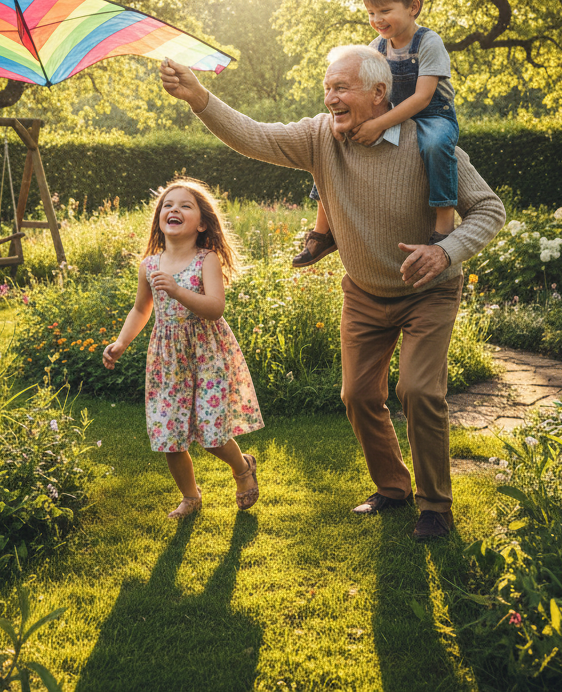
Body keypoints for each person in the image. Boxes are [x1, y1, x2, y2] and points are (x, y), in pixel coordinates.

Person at [160, 48, 504, 540]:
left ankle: (435, 506)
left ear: (379, 93)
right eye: (327, 87)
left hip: (429, 289)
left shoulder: (428, 141)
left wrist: (446, 252)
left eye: (341, 88)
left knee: (420, 392)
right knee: (359, 395)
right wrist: (199, 98)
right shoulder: (322, 136)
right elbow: (256, 136)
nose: (331, 97)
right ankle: (393, 487)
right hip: (365, 291)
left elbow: (489, 209)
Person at [102, 177, 264, 519]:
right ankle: (190, 496)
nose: (173, 209)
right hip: (167, 360)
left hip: (206, 356)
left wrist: (177, 291)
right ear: (160, 218)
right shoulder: (149, 265)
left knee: (212, 434)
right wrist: (120, 342)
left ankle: (242, 467)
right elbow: (141, 309)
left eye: (184, 205)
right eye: (167, 205)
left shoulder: (207, 259)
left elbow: (215, 307)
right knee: (169, 435)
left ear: (202, 223)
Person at [293, 0, 459, 268]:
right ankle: (323, 229)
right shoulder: (376, 47)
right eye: (370, 13)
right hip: (394, 112)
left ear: (413, 8)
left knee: (436, 145)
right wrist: (347, 119)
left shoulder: (428, 43)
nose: (376, 20)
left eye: (384, 10)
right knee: (333, 138)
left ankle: (444, 225)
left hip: (433, 114)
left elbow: (423, 97)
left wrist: (379, 124)